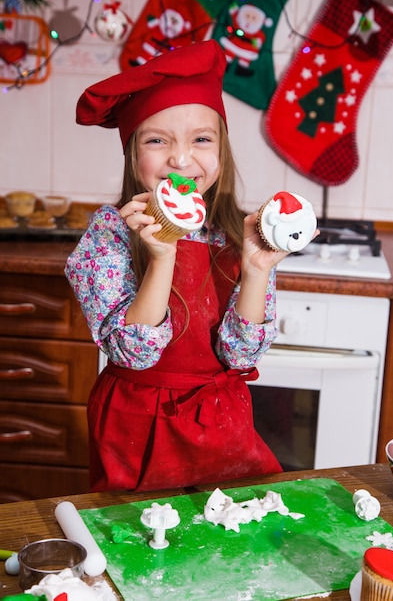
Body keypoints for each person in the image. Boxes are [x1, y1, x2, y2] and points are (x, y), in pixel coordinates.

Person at [65, 40, 291, 493]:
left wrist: (256, 268)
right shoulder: (109, 234)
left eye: (201, 140)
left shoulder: (234, 231)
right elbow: (136, 354)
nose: (181, 159)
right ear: (133, 154)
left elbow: (241, 356)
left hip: (221, 425)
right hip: (137, 428)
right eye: (157, 140)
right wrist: (162, 252)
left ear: (221, 153)